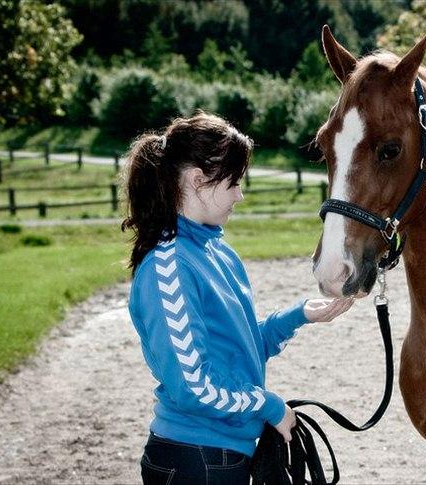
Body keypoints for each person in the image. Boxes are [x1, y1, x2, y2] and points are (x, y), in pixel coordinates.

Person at [122, 112, 353, 484]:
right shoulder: (169, 268)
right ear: (199, 181)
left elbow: (236, 350)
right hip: (193, 461)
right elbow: (194, 385)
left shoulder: (217, 252)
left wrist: (298, 316)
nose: (239, 195)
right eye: (233, 183)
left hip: (222, 457)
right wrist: (269, 406)